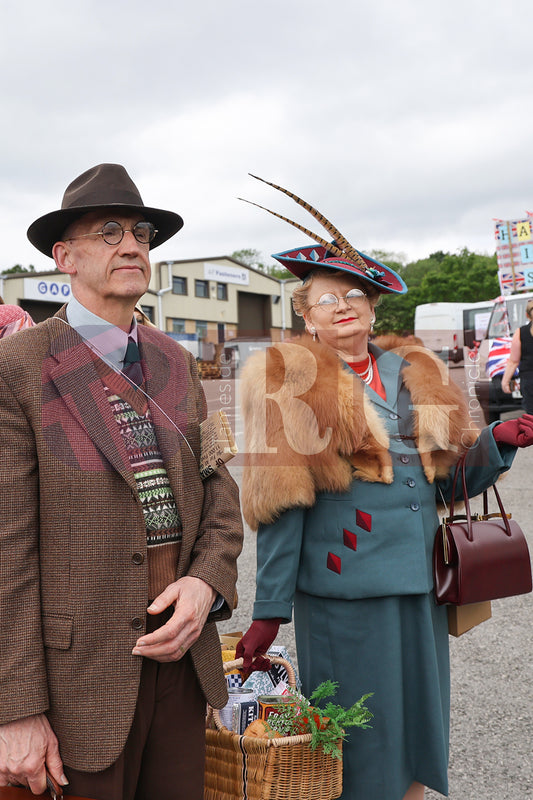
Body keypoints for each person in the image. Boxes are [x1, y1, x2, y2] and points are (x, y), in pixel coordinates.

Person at [236, 177, 533, 800]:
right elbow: (282, 508)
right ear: (305, 314)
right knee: (357, 739)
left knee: (418, 731)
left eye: (354, 294)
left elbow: (446, 481)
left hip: (422, 583)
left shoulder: (415, 369)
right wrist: (268, 610)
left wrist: (497, 444)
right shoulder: (286, 379)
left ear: (374, 308)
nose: (342, 306)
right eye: (324, 299)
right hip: (343, 591)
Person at [0, 164, 243, 800]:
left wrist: (204, 586)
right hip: (75, 684)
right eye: (109, 232)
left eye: (140, 233)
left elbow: (220, 487)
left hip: (180, 660)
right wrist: (15, 709)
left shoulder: (177, 360)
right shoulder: (17, 367)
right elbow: (7, 549)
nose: (132, 244)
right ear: (64, 257)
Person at [501, 298, 533, 413]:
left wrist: (505, 381)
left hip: (529, 381)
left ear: (526, 315)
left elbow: (513, 361)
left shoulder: (520, 332)